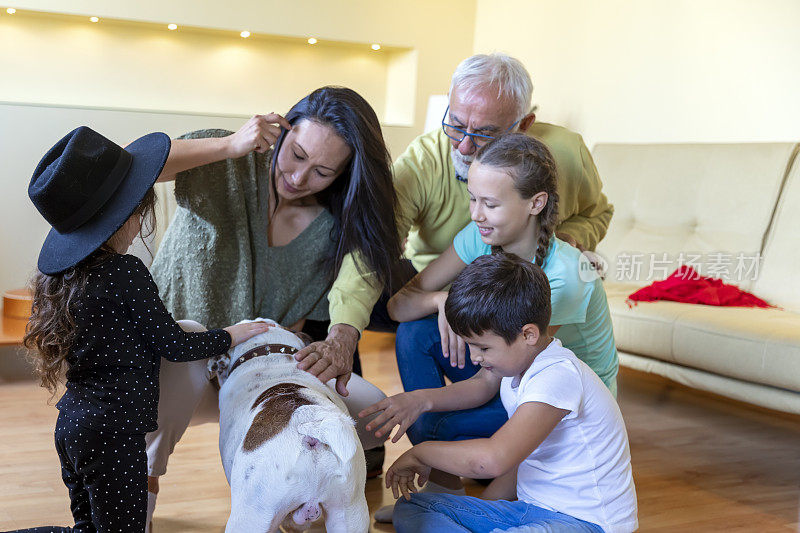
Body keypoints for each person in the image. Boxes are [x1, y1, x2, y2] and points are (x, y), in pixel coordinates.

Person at [144, 87, 398, 526]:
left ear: (343, 174)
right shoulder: (224, 160)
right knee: (183, 338)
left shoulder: (333, 233)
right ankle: (138, 498)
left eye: (321, 171)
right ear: (280, 130)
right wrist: (231, 145)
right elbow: (131, 168)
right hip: (177, 359)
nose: (299, 178)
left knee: (374, 406)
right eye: (296, 154)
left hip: (250, 372)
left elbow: (340, 298)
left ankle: (294, 501)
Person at [13, 127, 272, 532]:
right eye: (138, 209)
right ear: (124, 217)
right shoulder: (124, 272)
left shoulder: (63, 279)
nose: (140, 220)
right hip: (115, 433)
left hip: (74, 427)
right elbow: (174, 344)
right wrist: (231, 334)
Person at [368, 133, 618, 522]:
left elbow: (491, 381)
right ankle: (445, 488)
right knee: (416, 333)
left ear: (536, 203)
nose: (475, 214)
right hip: (508, 373)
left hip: (557, 402)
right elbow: (400, 305)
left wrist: (422, 402)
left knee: (435, 422)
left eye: (490, 203)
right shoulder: (480, 237)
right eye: (472, 198)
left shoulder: (567, 276)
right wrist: (440, 302)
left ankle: (445, 486)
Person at [330, 52, 614, 335]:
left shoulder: (567, 152)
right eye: (455, 124)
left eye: (485, 133)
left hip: (518, 289)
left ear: (524, 126)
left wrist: (572, 238)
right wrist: (343, 331)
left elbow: (596, 213)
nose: (464, 146)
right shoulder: (422, 160)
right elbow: (370, 243)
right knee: (360, 298)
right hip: (432, 278)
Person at [366, 253, 638, 533]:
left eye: (483, 348)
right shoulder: (513, 374)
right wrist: (479, 512)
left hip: (586, 523)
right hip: (531, 511)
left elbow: (493, 460)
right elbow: (519, 465)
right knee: (415, 508)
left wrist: (422, 453)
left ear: (528, 335)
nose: (475, 358)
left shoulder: (558, 374)